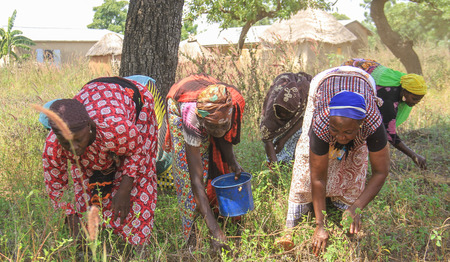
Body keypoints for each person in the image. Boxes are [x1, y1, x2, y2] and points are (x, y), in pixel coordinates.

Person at [277, 66, 390, 256]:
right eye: (335, 130)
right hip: (324, 82)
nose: (341, 137)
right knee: (307, 160)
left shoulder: (372, 122)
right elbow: (317, 177)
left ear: (361, 124)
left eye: (348, 132)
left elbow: (381, 171)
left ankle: (342, 204)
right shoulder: (321, 122)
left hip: (363, 81)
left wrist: (356, 207)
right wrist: (320, 225)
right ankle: (299, 216)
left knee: (355, 159)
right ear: (329, 121)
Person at [42, 76, 158, 245]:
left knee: (138, 181)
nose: (73, 147)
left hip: (132, 98)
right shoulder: (53, 146)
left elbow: (137, 152)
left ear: (90, 125)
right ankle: (99, 235)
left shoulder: (115, 128)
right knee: (84, 182)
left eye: (77, 140)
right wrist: (71, 217)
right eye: (66, 142)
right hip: (98, 102)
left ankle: (137, 243)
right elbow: (56, 186)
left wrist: (124, 191)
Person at [164, 74, 245, 251]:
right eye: (213, 127)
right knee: (186, 177)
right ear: (201, 120)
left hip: (205, 95)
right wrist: (215, 231)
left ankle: (217, 217)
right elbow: (195, 179)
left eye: (224, 126)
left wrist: (232, 162)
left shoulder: (229, 107)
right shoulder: (191, 118)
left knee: (214, 161)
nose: (219, 131)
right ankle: (190, 237)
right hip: (180, 102)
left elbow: (223, 134)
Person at [343, 58, 427, 169]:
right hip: (348, 76)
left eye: (418, 100)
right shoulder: (388, 97)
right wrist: (414, 156)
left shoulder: (401, 82)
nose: (415, 103)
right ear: (405, 91)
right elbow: (390, 134)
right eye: (414, 98)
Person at [260, 72, 311, 166]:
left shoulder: (304, 96)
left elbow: (303, 119)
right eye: (280, 114)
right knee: (273, 147)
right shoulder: (270, 115)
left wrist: (284, 139)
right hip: (278, 106)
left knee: (300, 134)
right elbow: (267, 139)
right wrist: (275, 170)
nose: (283, 117)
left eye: (286, 114)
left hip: (298, 115)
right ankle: (280, 163)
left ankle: (291, 162)